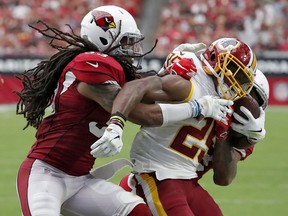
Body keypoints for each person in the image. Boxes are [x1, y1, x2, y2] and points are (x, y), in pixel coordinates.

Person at [15, 5, 234, 216]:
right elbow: (142, 114)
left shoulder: (114, 71)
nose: (133, 49)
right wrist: (197, 107)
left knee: (138, 211)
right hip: (46, 174)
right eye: (127, 42)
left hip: (80, 180)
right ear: (104, 40)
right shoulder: (90, 62)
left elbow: (147, 91)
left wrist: (171, 68)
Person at [91, 38, 261, 215]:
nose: (236, 80)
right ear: (214, 60)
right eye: (234, 70)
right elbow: (135, 87)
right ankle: (132, 187)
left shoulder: (229, 102)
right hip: (158, 173)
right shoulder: (192, 84)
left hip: (187, 178)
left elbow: (224, 177)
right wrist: (117, 123)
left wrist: (234, 135)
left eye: (242, 77)